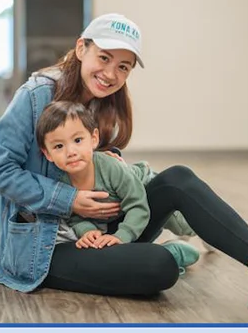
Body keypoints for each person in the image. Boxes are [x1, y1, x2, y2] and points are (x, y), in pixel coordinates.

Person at [0, 13, 248, 311]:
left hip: (104, 229)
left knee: (178, 178)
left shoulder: (104, 105)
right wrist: (70, 200)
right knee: (157, 266)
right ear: (81, 48)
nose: (111, 74)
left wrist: (110, 166)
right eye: (104, 58)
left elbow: (107, 177)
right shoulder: (36, 95)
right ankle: (172, 254)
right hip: (44, 247)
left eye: (123, 66)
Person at [36, 101, 198, 271]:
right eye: (59, 146)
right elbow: (75, 216)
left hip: (144, 189)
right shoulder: (61, 185)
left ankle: (200, 234)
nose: (71, 152)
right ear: (48, 153)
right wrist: (88, 231)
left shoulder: (110, 168)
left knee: (182, 224)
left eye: (77, 140)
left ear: (94, 139)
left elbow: (138, 205)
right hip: (119, 212)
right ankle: (173, 248)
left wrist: (123, 235)